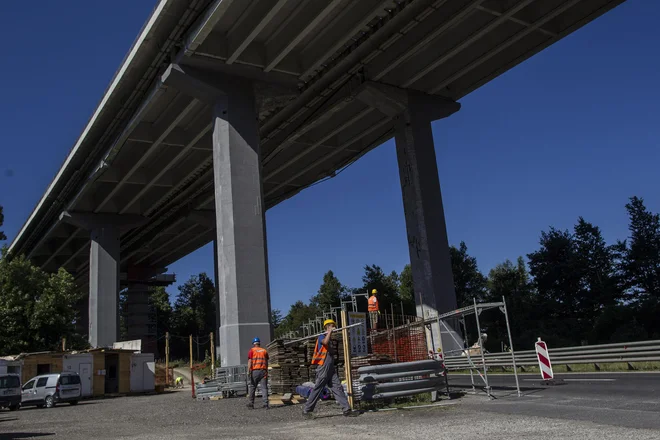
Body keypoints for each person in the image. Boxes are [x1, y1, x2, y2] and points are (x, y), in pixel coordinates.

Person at [302, 319, 358, 419]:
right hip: (323, 367)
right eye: (332, 326)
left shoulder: (329, 338)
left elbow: (329, 349)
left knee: (338, 387)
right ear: (327, 327)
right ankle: (307, 410)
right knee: (318, 388)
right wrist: (329, 332)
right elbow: (325, 342)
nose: (334, 328)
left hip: (330, 368)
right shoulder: (321, 336)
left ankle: (346, 410)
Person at [247, 337, 269, 409]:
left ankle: (251, 404)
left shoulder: (252, 350)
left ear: (253, 344)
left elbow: (250, 361)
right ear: (259, 343)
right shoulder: (264, 351)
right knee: (264, 388)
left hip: (255, 371)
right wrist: (266, 370)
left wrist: (248, 371)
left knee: (253, 387)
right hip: (263, 371)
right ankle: (265, 404)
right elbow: (266, 361)